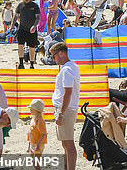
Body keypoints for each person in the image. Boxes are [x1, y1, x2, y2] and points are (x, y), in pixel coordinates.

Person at [50, 42, 80, 170]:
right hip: (67, 108)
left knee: (68, 144)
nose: (53, 59)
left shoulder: (67, 70)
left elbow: (68, 92)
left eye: (54, 55)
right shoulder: (72, 66)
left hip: (65, 109)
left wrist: (61, 113)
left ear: (61, 53)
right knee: (65, 143)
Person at [12, 0, 40, 69]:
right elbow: (16, 16)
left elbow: (38, 17)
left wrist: (34, 26)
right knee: (20, 46)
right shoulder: (20, 5)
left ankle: (31, 64)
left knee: (32, 47)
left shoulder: (35, 6)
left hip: (32, 30)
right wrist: (12, 26)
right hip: (22, 29)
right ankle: (21, 63)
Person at [28, 98, 47, 167]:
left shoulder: (40, 120)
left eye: (31, 108)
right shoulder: (34, 118)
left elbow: (43, 134)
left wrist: (38, 145)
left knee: (35, 162)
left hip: (38, 144)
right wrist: (29, 145)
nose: (30, 110)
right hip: (33, 143)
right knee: (33, 161)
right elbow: (31, 132)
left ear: (37, 110)